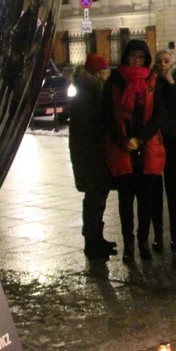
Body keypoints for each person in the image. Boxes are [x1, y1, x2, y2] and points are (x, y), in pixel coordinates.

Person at [106, 40, 170, 260]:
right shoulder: (115, 80)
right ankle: (129, 245)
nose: (137, 60)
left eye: (141, 57)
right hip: (123, 150)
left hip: (146, 149)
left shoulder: (153, 80)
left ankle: (143, 242)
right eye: (133, 56)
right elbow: (107, 116)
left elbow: (158, 115)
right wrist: (123, 140)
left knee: (145, 202)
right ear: (126, 57)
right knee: (125, 202)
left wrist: (140, 139)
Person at [68, 53, 117, 260]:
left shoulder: (90, 89)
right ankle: (92, 241)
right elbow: (94, 125)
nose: (108, 73)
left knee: (98, 198)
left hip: (92, 153)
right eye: (105, 69)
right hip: (91, 154)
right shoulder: (92, 91)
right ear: (98, 72)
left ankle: (97, 237)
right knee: (95, 198)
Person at [152, 49, 176, 252]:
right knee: (155, 189)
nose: (163, 65)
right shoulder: (152, 82)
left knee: (173, 187)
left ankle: (174, 233)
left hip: (174, 141)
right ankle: (158, 234)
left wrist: (170, 82)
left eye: (167, 61)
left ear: (172, 62)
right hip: (156, 141)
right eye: (160, 61)